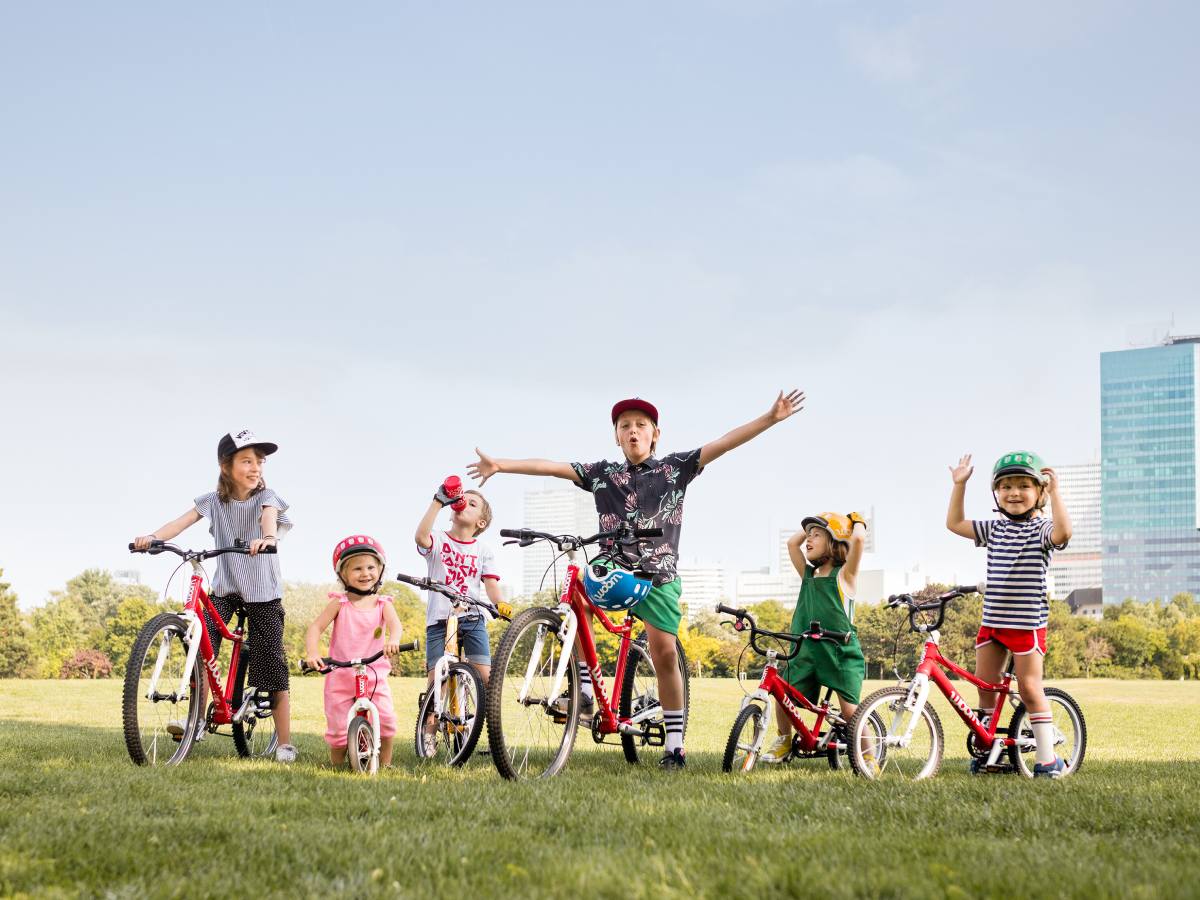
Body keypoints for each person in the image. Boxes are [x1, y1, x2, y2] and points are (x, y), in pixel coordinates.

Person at [468, 390, 805, 769]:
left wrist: (770, 418)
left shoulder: (675, 469)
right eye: (624, 426)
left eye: (640, 426)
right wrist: (500, 464)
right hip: (611, 568)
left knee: (663, 653)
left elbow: (724, 444)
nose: (632, 431)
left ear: (655, 434)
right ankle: (582, 691)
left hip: (657, 574)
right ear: (616, 436)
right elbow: (552, 466)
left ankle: (674, 745)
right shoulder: (602, 474)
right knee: (577, 600)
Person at [132, 429, 296, 762]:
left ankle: (284, 743)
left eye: (259, 462)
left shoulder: (267, 496)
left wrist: (267, 537)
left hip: (262, 592)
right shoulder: (212, 500)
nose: (255, 468)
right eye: (246, 461)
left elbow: (268, 519)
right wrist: (151, 537)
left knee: (271, 662)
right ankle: (198, 721)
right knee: (201, 644)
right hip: (225, 588)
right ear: (226, 466)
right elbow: (180, 523)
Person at [946, 451, 1073, 778]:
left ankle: (1047, 760)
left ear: (1039, 493)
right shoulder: (994, 529)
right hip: (992, 623)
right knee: (985, 687)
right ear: (996, 494)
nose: (1013, 493)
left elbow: (1063, 535)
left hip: (1026, 625)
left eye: (1022, 486)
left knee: (1030, 689)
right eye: (1005, 487)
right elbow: (954, 524)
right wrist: (959, 485)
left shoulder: (1041, 529)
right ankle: (991, 754)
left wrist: (1057, 493)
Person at [763, 512, 871, 768]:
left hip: (839, 653)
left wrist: (856, 522)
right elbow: (792, 544)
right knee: (784, 694)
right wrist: (815, 523)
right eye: (808, 535)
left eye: (816, 535)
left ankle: (869, 756)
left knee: (850, 711)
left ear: (833, 542)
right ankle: (784, 740)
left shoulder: (846, 576)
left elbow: (857, 542)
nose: (809, 540)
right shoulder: (808, 575)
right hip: (806, 650)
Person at [414, 478, 503, 753]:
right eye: (463, 499)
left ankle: (486, 735)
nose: (464, 502)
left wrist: (501, 604)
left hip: (473, 617)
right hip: (440, 620)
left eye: (472, 503)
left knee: (484, 678)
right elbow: (420, 537)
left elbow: (491, 586)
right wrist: (439, 501)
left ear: (481, 522)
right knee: (436, 681)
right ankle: (429, 729)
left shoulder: (482, 550)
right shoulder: (439, 539)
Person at [304, 535, 403, 767]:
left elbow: (395, 625)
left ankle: (386, 763)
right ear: (343, 575)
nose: (365, 573)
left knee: (386, 720)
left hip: (374, 673)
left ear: (380, 570)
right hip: (340, 672)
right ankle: (337, 765)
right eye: (357, 568)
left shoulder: (382, 603)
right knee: (338, 727)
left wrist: (393, 640)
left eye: (371, 567)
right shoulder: (340, 603)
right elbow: (316, 628)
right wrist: (312, 652)